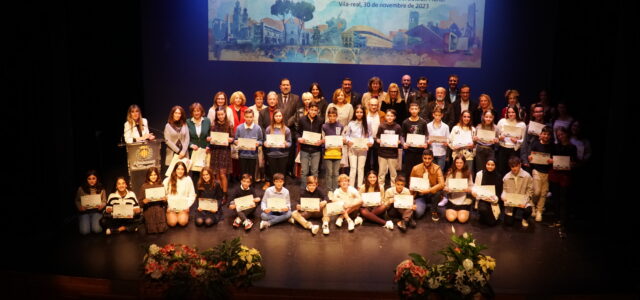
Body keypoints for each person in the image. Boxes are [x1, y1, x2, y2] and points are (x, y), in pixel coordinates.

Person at [549, 127, 577, 229]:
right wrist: (551, 161)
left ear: (567, 134)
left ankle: (564, 221)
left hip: (565, 175)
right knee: (555, 198)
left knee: (564, 198)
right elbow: (551, 158)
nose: (561, 136)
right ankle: (557, 219)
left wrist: (572, 164)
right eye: (559, 135)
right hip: (555, 174)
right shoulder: (555, 146)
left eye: (562, 134)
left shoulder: (572, 147)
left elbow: (574, 162)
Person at [527, 126, 554, 222]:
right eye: (544, 134)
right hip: (536, 170)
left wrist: (553, 161)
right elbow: (531, 156)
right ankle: (532, 205)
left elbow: (555, 159)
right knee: (537, 191)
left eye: (548, 134)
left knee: (543, 193)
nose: (546, 136)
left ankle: (539, 211)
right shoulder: (536, 144)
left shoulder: (552, 146)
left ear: (550, 136)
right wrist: (530, 158)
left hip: (547, 172)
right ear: (541, 134)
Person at [410, 149, 445, 221]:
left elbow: (442, 184)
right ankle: (424, 205)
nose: (427, 161)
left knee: (438, 193)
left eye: (429, 158)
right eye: (425, 158)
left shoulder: (437, 168)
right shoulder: (415, 168)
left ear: (432, 158)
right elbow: (411, 185)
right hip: (420, 195)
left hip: (431, 194)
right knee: (418, 214)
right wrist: (411, 200)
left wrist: (428, 190)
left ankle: (434, 211)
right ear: (422, 158)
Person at [345, 104, 373, 187]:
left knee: (361, 168)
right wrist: (348, 141)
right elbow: (347, 135)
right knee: (353, 168)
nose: (359, 114)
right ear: (355, 113)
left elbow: (370, 135)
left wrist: (370, 142)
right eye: (357, 112)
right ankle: (351, 187)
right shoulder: (351, 123)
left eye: (361, 112)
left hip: (363, 148)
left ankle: (360, 186)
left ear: (364, 113)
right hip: (352, 148)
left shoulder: (368, 122)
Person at [501, 157, 533, 228]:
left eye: (516, 166)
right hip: (511, 202)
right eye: (512, 167)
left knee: (528, 210)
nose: (514, 168)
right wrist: (503, 197)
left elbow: (529, 191)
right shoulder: (506, 177)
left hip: (523, 200)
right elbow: (504, 190)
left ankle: (524, 219)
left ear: (520, 165)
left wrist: (525, 202)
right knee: (508, 223)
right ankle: (513, 213)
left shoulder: (527, 176)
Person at [376, 109, 404, 188]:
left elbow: (400, 138)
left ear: (394, 117)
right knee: (381, 173)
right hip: (382, 153)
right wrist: (378, 140)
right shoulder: (381, 126)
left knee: (393, 173)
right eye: (388, 115)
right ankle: (380, 189)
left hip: (393, 154)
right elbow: (377, 137)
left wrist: (399, 142)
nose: (389, 117)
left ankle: (393, 189)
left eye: (392, 116)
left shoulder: (397, 127)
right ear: (385, 116)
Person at [297, 103, 323, 188]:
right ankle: (304, 189)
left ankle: (314, 188)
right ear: (308, 109)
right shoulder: (302, 120)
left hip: (316, 150)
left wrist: (321, 141)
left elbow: (322, 135)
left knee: (314, 171)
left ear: (317, 111)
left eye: (315, 110)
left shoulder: (320, 120)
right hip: (304, 149)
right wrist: (299, 138)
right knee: (304, 171)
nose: (313, 112)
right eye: (312, 110)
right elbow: (297, 132)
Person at [210, 107, 234, 197]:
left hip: (224, 152)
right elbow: (211, 137)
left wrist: (230, 139)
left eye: (222, 114)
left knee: (223, 174)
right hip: (215, 151)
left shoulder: (229, 124)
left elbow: (233, 138)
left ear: (225, 114)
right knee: (216, 174)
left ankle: (225, 194)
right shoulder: (213, 124)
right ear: (216, 115)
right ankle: (218, 192)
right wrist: (209, 139)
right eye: (218, 114)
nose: (220, 116)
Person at [163, 161, 196, 227]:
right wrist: (167, 205)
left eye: (182, 169)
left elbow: (192, 195)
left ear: (185, 170)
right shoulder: (168, 180)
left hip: (183, 208)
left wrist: (187, 206)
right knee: (172, 223)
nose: (180, 171)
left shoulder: (188, 179)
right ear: (175, 170)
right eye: (178, 169)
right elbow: (163, 194)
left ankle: (182, 216)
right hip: (172, 208)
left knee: (182, 222)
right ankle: (172, 215)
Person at [496, 105, 526, 176]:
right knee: (501, 170)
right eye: (509, 112)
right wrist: (500, 137)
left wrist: (517, 141)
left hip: (514, 150)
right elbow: (496, 135)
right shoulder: (502, 121)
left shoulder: (522, 124)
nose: (510, 114)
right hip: (502, 149)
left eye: (513, 112)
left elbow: (524, 140)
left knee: (513, 170)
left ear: (516, 112)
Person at [264, 109, 292, 184]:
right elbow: (265, 141)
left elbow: (290, 143)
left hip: (283, 155)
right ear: (273, 117)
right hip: (271, 155)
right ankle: (273, 188)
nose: (278, 117)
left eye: (280, 116)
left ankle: (282, 187)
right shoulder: (269, 129)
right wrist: (265, 144)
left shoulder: (287, 130)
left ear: (282, 117)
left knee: (282, 173)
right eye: (276, 116)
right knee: (273, 173)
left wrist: (286, 144)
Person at [520, 104, 551, 171]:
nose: (538, 114)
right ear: (533, 114)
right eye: (536, 112)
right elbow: (524, 144)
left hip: (544, 159)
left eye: (540, 111)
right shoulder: (529, 127)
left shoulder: (548, 127)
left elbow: (551, 144)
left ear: (543, 113)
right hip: (530, 158)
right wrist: (524, 160)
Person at [443, 155, 473, 223]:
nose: (458, 164)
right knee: (451, 218)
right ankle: (454, 212)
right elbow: (445, 185)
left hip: (464, 200)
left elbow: (471, 186)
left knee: (462, 219)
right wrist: (447, 189)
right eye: (457, 162)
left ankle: (462, 212)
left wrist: (469, 189)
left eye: (461, 163)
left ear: (464, 163)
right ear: (454, 163)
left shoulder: (468, 173)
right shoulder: (450, 172)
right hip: (452, 200)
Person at [472, 160, 503, 226]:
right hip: (482, 200)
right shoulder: (480, 174)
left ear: (495, 165)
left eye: (492, 165)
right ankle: (482, 215)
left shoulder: (498, 176)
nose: (490, 166)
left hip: (493, 201)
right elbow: (476, 187)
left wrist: (495, 199)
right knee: (483, 209)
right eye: (488, 164)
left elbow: (499, 192)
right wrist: (475, 193)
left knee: (492, 222)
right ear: (485, 164)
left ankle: (485, 217)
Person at [186, 102, 211, 183]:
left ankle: (205, 193)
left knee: (205, 173)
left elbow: (210, 135)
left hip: (205, 151)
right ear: (192, 112)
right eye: (194, 111)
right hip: (194, 152)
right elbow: (185, 138)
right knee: (195, 173)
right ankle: (196, 193)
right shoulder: (188, 122)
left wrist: (208, 145)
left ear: (201, 111)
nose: (196, 113)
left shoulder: (207, 121)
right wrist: (191, 145)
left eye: (198, 111)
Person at [75, 170, 106, 235]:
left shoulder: (101, 188)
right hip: (85, 212)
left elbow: (104, 201)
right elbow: (77, 200)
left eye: (93, 178)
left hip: (96, 211)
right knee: (84, 232)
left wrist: (102, 206)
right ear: (86, 179)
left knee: (97, 230)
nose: (91, 181)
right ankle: (85, 221)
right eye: (89, 179)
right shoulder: (81, 189)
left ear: (97, 179)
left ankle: (93, 222)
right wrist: (80, 207)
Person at [402, 102, 429, 178]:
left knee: (419, 170)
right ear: (409, 110)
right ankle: (408, 186)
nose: (414, 111)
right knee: (408, 170)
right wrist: (403, 143)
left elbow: (426, 135)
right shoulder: (405, 122)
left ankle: (418, 187)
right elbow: (402, 136)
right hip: (409, 151)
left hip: (419, 151)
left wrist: (425, 142)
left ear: (419, 110)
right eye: (412, 109)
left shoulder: (423, 122)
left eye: (416, 109)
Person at [234, 109, 263, 177]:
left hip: (253, 155)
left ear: (253, 117)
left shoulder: (258, 128)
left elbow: (261, 141)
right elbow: (235, 140)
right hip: (242, 155)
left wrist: (258, 143)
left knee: (251, 174)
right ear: (244, 117)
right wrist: (236, 142)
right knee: (243, 174)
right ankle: (243, 187)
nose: (249, 119)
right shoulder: (239, 128)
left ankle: (252, 187)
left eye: (250, 117)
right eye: (247, 117)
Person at [139, 167, 168, 234]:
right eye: (151, 175)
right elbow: (140, 203)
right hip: (149, 210)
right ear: (148, 176)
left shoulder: (161, 185)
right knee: (152, 230)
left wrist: (164, 200)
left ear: (157, 175)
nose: (153, 177)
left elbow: (164, 204)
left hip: (159, 210)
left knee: (161, 230)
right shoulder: (144, 186)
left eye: (155, 175)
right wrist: (144, 201)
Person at [323, 107, 344, 192]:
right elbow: (323, 139)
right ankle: (329, 190)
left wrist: (342, 141)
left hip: (337, 153)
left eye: (334, 116)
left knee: (336, 173)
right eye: (330, 116)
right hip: (328, 153)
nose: (332, 118)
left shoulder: (340, 126)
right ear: (328, 116)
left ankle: (335, 190)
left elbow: (342, 138)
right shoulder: (324, 126)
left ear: (337, 116)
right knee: (329, 173)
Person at [364, 98, 386, 174]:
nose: (374, 107)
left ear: (378, 106)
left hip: (378, 139)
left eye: (375, 105)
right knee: (366, 159)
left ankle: (376, 176)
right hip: (366, 139)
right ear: (368, 105)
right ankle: (366, 176)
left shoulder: (382, 114)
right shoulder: (364, 113)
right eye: (372, 105)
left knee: (377, 159)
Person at [427, 107, 450, 172]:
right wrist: (428, 141)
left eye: (439, 115)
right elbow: (426, 138)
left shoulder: (445, 126)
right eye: (436, 115)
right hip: (431, 151)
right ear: (433, 115)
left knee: (440, 171)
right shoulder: (428, 126)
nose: (437, 117)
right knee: (431, 171)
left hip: (441, 152)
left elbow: (448, 138)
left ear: (442, 115)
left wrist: (447, 143)